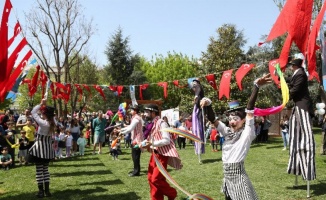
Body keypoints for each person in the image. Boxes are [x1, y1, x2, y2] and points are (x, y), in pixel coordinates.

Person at [201, 73, 272, 200]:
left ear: (243, 120)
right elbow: (213, 119)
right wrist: (208, 104)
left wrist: (256, 86)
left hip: (238, 178)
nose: (232, 121)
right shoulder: (226, 131)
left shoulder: (247, 133)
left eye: (235, 119)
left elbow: (249, 109)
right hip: (227, 177)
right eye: (230, 119)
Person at [141, 104, 182, 200]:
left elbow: (166, 140)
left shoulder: (162, 123)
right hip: (155, 154)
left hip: (162, 155)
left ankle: (172, 193)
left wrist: (151, 143)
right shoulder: (152, 124)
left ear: (153, 112)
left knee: (156, 179)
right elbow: (150, 139)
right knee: (151, 178)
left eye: (147, 112)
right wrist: (142, 144)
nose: (144, 114)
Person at [286, 58, 316, 188]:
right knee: (295, 138)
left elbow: (295, 90)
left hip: (303, 107)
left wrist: (285, 94)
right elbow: (290, 83)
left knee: (306, 139)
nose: (290, 67)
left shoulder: (301, 74)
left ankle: (307, 170)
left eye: (291, 65)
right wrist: (281, 81)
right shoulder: (296, 74)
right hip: (298, 107)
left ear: (294, 66)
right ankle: (297, 167)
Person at [28, 99, 56, 198]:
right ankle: (47, 191)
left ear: (45, 115)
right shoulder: (53, 122)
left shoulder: (44, 123)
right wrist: (45, 105)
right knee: (46, 170)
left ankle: (41, 192)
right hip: (48, 149)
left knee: (39, 170)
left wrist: (41, 104)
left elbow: (33, 112)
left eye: (43, 113)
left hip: (39, 149)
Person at [120, 105, 144, 177]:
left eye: (131, 110)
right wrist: (121, 130)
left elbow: (130, 128)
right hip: (135, 139)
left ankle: (136, 172)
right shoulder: (134, 118)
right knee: (134, 156)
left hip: (137, 140)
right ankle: (136, 170)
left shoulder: (136, 118)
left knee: (135, 156)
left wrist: (122, 132)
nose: (130, 111)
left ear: (135, 111)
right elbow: (129, 127)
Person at [191, 78, 205, 163]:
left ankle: (199, 153)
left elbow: (200, 105)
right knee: (196, 132)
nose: (193, 86)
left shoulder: (200, 95)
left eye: (195, 85)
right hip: (195, 114)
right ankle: (198, 153)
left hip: (198, 115)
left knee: (198, 133)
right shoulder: (196, 95)